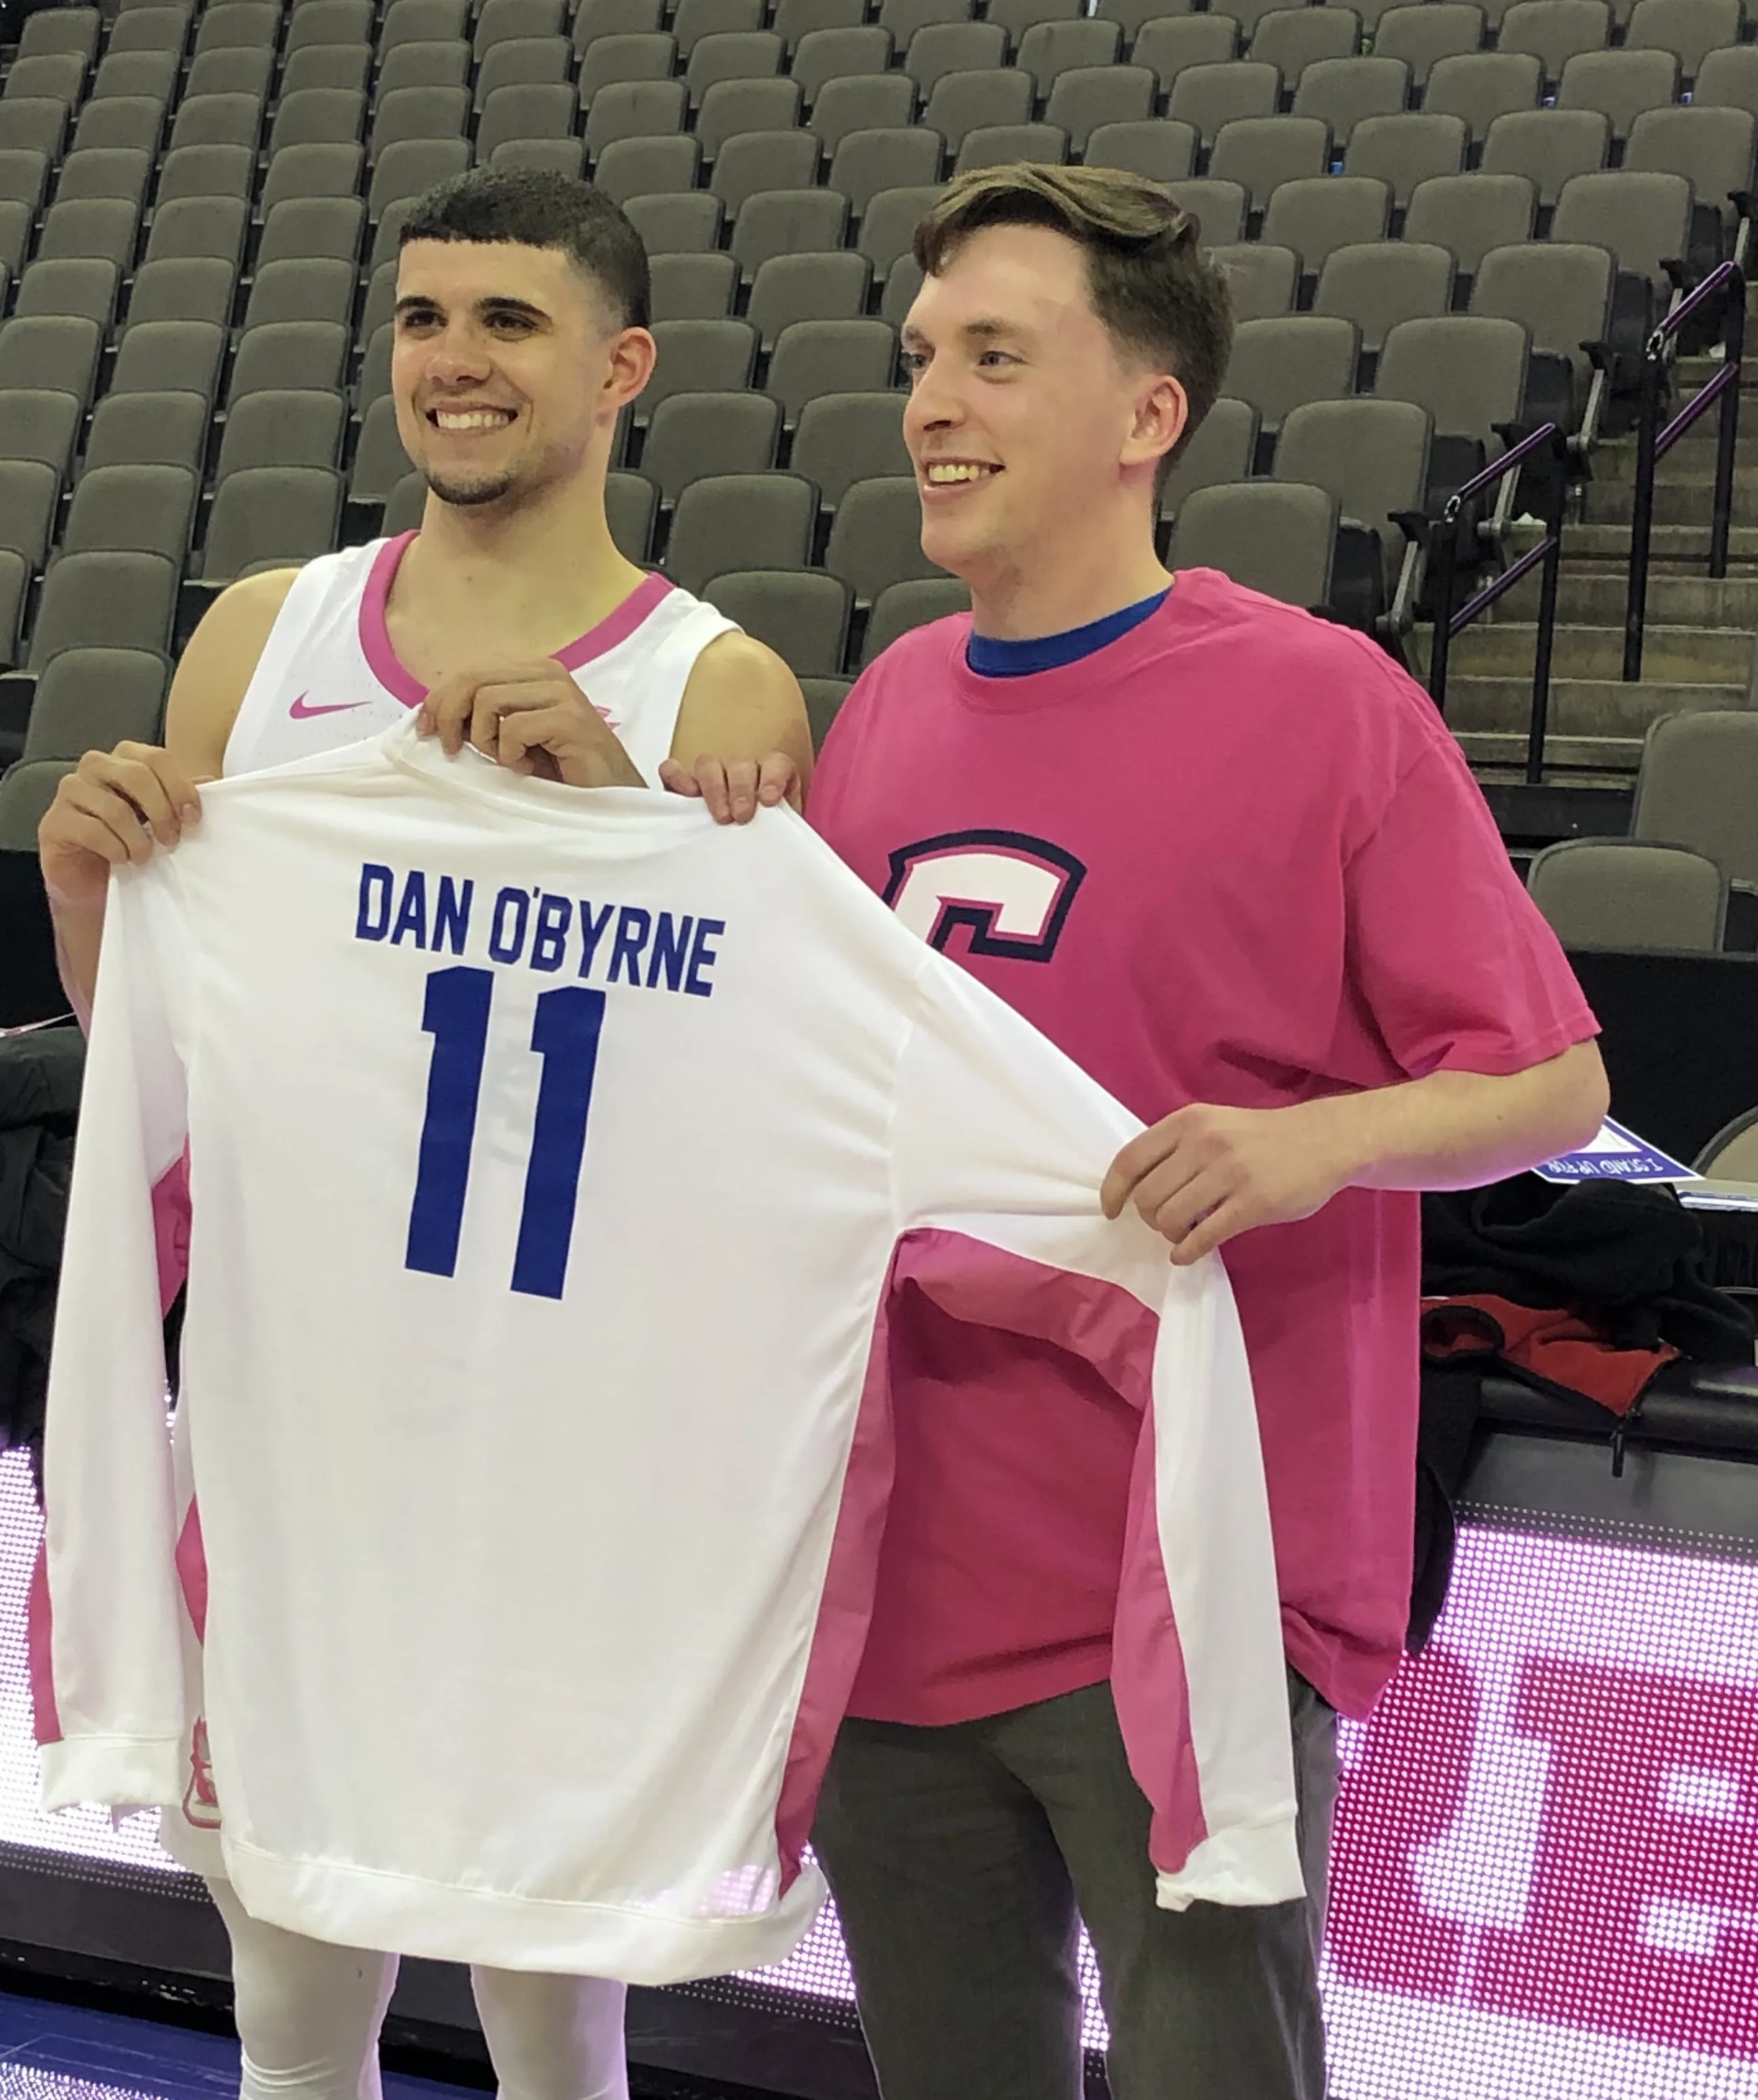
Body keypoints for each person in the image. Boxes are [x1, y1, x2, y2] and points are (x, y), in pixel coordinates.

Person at [678, 162, 1609, 2100]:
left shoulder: (1321, 702)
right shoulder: (896, 705)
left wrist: (1308, 1143)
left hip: (1187, 1580)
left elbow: (1551, 1086)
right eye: (921, 355)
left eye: (994, 357)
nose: (928, 399)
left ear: (1145, 416)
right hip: (897, 1570)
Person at [35, 168, 810, 2100]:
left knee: (554, 2012)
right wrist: (86, 882)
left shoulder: (711, 687)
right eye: (423, 319)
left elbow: (742, 1124)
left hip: (557, 1450)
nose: (452, 363)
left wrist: (619, 816)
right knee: (294, 2011)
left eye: (509, 323)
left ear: (621, 367)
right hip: (290, 1434)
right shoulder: (256, 635)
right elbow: (157, 1045)